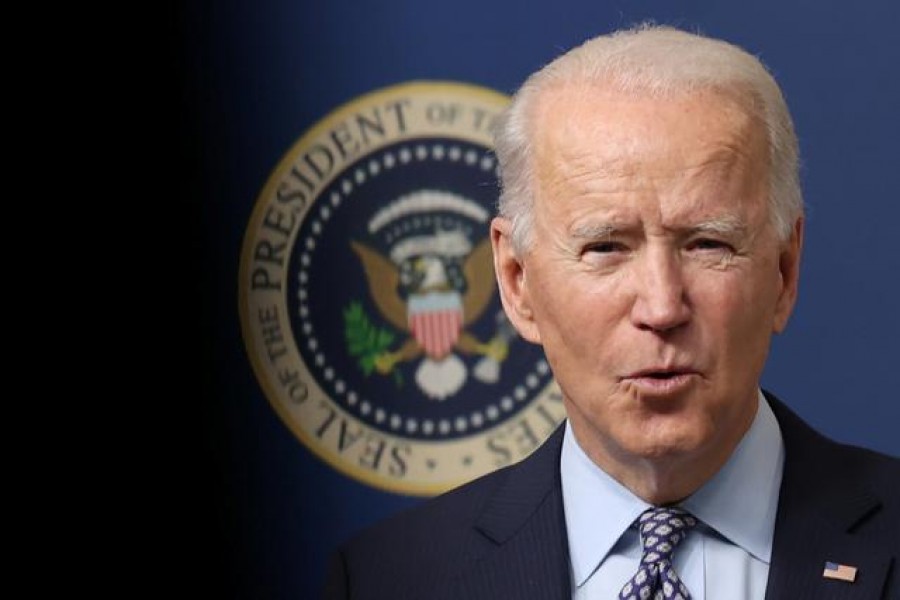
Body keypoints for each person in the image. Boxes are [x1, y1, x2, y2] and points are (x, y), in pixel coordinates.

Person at [322, 25, 899, 599]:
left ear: (784, 271)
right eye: (605, 248)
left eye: (708, 244)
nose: (662, 308)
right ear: (517, 281)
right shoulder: (386, 580)